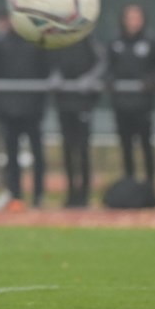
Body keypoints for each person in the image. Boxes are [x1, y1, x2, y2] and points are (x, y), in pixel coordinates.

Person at [0, 22, 51, 210]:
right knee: (11, 155)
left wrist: (40, 105)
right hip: (9, 110)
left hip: (33, 110)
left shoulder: (38, 43)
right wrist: (1, 105)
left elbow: (45, 73)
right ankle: (15, 194)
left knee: (38, 155)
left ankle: (38, 196)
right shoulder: (0, 44)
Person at [107, 3, 155, 188]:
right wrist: (110, 81)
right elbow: (109, 68)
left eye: (137, 18)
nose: (133, 22)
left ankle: (150, 186)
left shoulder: (152, 41)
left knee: (146, 145)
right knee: (126, 146)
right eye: (130, 18)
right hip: (122, 104)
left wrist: (152, 81)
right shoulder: (115, 41)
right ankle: (129, 184)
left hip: (143, 105)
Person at [51, 33, 104, 209]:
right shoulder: (57, 40)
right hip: (64, 102)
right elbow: (49, 62)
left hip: (82, 102)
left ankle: (85, 193)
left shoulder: (88, 39)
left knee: (82, 149)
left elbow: (103, 62)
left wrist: (89, 79)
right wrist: (55, 76)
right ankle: (71, 192)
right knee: (67, 148)